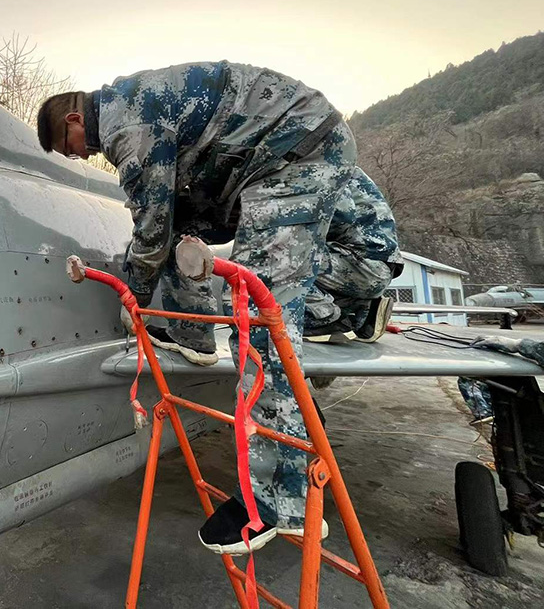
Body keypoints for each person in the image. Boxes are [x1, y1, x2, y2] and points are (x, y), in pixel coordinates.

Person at [37, 61, 356, 554]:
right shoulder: (127, 107)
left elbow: (150, 225)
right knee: (178, 225)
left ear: (75, 120)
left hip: (294, 156)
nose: (79, 156)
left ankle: (279, 502)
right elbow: (164, 217)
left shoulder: (126, 126)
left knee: (259, 321)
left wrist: (134, 299)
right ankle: (194, 336)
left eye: (69, 146)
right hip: (261, 158)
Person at [304, 167, 404, 344]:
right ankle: (360, 312)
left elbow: (340, 216)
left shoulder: (317, 166)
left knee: (274, 254)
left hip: (362, 264)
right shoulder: (338, 163)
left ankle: (322, 318)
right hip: (373, 264)